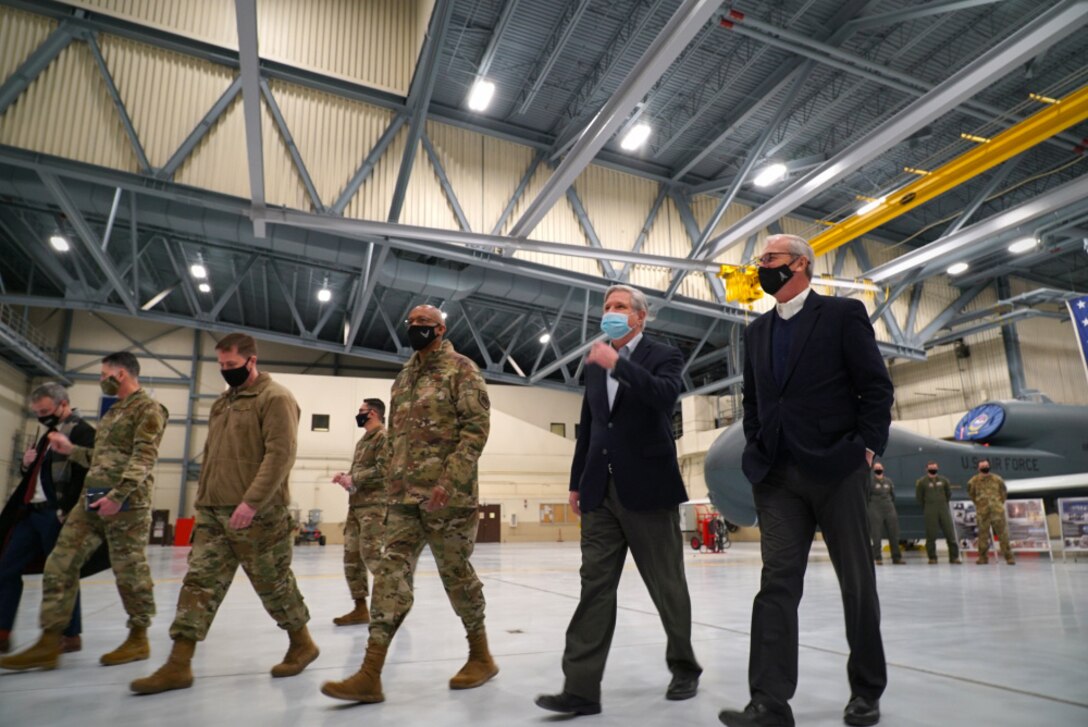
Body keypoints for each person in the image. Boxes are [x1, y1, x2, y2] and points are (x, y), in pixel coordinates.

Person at [718, 234, 893, 727]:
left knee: (856, 581)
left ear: (800, 264)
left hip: (837, 468)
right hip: (776, 474)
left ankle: (866, 691)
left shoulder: (842, 315)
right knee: (776, 583)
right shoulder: (755, 333)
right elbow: (754, 402)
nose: (759, 268)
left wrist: (864, 448)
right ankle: (769, 703)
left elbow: (875, 388)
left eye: (768, 260)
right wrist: (757, 444)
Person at [536, 284, 701, 717]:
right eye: (608, 306)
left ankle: (684, 667)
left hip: (648, 488)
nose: (611, 312)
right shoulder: (594, 364)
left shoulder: (663, 355)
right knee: (594, 588)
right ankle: (581, 689)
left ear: (640, 317)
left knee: (666, 585)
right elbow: (588, 426)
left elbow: (665, 397)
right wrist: (576, 482)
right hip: (599, 493)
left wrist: (619, 366)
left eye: (620, 307)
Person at [321, 305, 493, 704]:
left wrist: (449, 482)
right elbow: (396, 438)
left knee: (456, 576)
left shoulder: (462, 370)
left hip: (447, 500)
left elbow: (475, 431)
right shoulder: (403, 377)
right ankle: (370, 673)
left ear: (440, 329)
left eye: (423, 325)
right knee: (389, 575)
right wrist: (389, 480)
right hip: (401, 500)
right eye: (410, 323)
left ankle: (480, 655)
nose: (415, 329)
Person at [131, 333, 317, 694]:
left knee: (273, 584)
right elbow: (214, 455)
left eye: (231, 366)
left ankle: (302, 643)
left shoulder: (275, 398)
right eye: (221, 366)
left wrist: (252, 502)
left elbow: (280, 455)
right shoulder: (223, 403)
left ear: (251, 360)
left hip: (258, 513)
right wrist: (202, 501)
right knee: (199, 583)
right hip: (214, 512)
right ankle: (178, 664)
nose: (225, 372)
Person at [0, 353, 167, 672]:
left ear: (120, 374)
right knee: (60, 562)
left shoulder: (149, 409)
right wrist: (71, 451)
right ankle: (50, 642)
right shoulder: (113, 412)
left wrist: (119, 495)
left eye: (104, 373)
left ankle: (138, 637)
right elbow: (101, 458)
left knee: (129, 572)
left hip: (126, 505)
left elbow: (143, 459)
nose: (101, 378)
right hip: (91, 500)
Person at [0, 383, 96, 654]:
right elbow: (39, 475)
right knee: (6, 568)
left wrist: (68, 509)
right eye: (37, 412)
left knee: (62, 573)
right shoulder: (47, 434)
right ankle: (3, 631)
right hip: (30, 512)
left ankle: (70, 634)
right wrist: (25, 465)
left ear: (63, 404)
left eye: (45, 411)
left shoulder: (82, 432)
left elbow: (88, 471)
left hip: (56, 514)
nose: (41, 416)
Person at [330, 398, 389, 626]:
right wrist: (346, 478)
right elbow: (361, 473)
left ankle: (392, 605)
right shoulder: (363, 441)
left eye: (361, 411)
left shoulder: (383, 438)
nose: (359, 414)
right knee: (352, 558)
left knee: (372, 555)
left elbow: (385, 470)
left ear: (372, 413)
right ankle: (360, 609)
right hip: (356, 506)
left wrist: (355, 477)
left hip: (374, 508)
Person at [967, 458, 1014, 565]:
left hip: (997, 512)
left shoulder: (997, 479)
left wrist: (997, 504)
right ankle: (983, 558)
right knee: (983, 536)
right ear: (978, 468)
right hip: (983, 513)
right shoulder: (973, 481)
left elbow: (1003, 493)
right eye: (982, 466)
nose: (985, 468)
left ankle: (1009, 557)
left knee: (1003, 535)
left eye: (986, 465)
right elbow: (972, 495)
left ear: (989, 466)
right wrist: (981, 505)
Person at [914, 461, 961, 565]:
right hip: (930, 509)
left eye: (934, 467)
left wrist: (942, 503)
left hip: (943, 508)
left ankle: (954, 557)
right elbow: (919, 497)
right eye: (930, 468)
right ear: (926, 469)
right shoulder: (922, 482)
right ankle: (932, 557)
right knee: (931, 535)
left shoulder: (944, 480)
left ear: (937, 468)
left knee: (950, 534)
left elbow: (948, 494)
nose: (933, 469)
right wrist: (928, 505)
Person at [867, 463, 903, 565]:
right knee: (876, 534)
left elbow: (893, 495)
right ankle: (877, 558)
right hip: (875, 509)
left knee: (894, 534)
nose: (878, 469)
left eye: (880, 467)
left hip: (889, 508)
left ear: (883, 468)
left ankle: (896, 558)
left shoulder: (888, 481)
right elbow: (866, 496)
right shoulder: (870, 482)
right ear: (873, 470)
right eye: (876, 468)